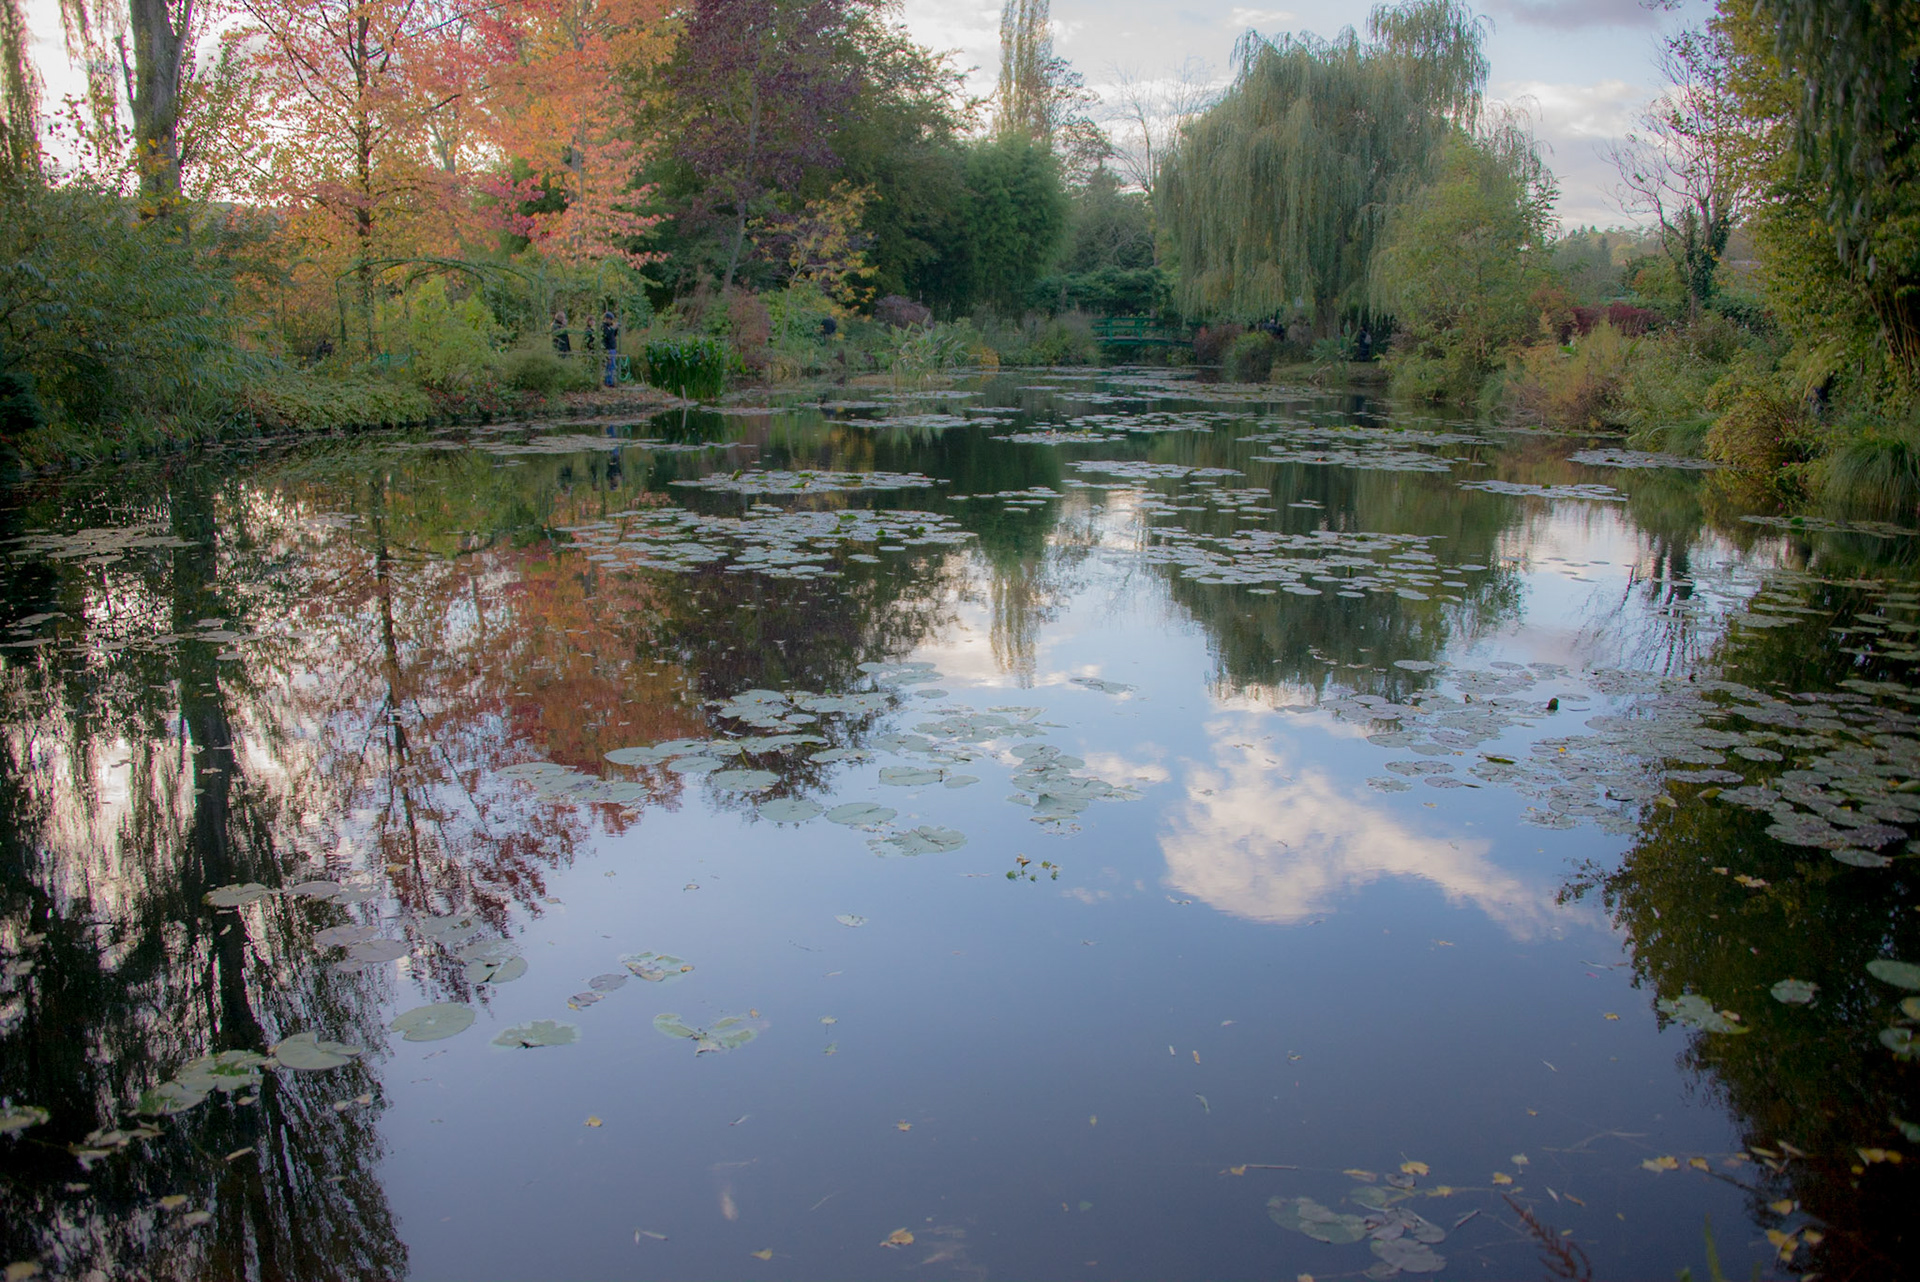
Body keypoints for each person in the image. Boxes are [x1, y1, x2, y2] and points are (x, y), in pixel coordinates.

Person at [600, 309, 621, 386]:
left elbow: (613, 335)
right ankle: (608, 382)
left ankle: (611, 380)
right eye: (609, 319)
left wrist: (616, 328)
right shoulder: (603, 326)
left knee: (612, 366)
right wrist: (612, 328)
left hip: (612, 348)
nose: (610, 321)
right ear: (606, 319)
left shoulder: (610, 326)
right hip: (608, 348)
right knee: (609, 365)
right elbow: (607, 335)